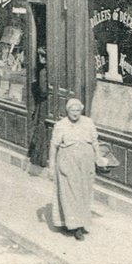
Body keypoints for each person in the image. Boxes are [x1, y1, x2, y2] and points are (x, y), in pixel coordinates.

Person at [49, 98, 100, 241]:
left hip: (86, 164)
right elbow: (53, 146)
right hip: (68, 163)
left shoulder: (88, 123)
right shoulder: (61, 125)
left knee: (84, 192)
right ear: (67, 111)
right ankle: (75, 226)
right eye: (72, 110)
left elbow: (95, 142)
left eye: (78, 110)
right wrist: (51, 167)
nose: (75, 113)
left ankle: (81, 222)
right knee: (70, 194)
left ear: (81, 111)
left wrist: (99, 158)